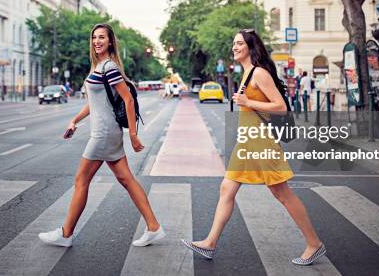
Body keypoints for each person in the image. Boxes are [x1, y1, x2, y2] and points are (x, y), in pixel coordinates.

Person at [181, 29, 325, 266]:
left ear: (250, 47)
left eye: (239, 43)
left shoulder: (259, 73)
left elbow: (280, 107)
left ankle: (314, 243)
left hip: (262, 141)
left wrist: (248, 101)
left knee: (282, 193)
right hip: (247, 142)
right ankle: (210, 243)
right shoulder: (247, 72)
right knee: (227, 188)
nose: (234, 47)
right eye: (233, 44)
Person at [39, 23, 164, 248]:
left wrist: (133, 135)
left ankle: (65, 234)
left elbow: (127, 99)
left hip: (104, 134)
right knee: (127, 180)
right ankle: (154, 227)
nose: (97, 41)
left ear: (110, 42)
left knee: (81, 180)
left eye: (102, 38)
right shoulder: (98, 68)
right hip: (105, 132)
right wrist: (75, 121)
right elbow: (94, 104)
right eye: (94, 37)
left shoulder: (109, 67)